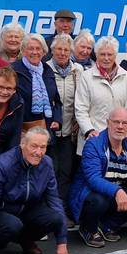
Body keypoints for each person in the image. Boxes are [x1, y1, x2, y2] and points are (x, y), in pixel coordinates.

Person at [0, 127, 80, 254]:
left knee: (56, 217)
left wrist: (62, 245)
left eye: (43, 147)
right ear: (23, 144)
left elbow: (55, 201)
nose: (38, 152)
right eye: (34, 146)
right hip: (3, 212)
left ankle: (25, 240)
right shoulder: (3, 164)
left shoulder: (47, 163)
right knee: (12, 225)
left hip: (28, 210)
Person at [69, 107, 127, 247]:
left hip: (114, 193)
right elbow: (93, 178)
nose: (120, 126)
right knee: (99, 201)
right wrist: (117, 191)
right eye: (116, 122)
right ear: (108, 123)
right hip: (89, 193)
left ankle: (107, 226)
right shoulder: (93, 144)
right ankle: (88, 228)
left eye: (124, 123)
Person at [74, 36, 127, 151]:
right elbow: (81, 109)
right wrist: (89, 130)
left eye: (110, 54)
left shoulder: (126, 76)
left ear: (115, 55)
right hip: (93, 139)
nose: (106, 58)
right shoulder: (86, 77)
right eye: (103, 54)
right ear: (96, 55)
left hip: (119, 140)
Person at [47, 34, 83, 206]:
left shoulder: (78, 71)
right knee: (50, 170)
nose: (62, 53)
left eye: (66, 50)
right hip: (49, 131)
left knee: (66, 172)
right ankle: (49, 206)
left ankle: (61, 208)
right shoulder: (44, 69)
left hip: (70, 132)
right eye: (59, 49)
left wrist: (78, 121)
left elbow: (82, 98)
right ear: (52, 51)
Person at [12, 34, 63, 133]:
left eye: (38, 49)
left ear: (44, 52)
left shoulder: (48, 70)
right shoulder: (14, 71)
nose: (35, 52)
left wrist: (57, 120)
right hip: (22, 130)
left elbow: (56, 100)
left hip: (46, 129)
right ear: (23, 51)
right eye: (31, 48)